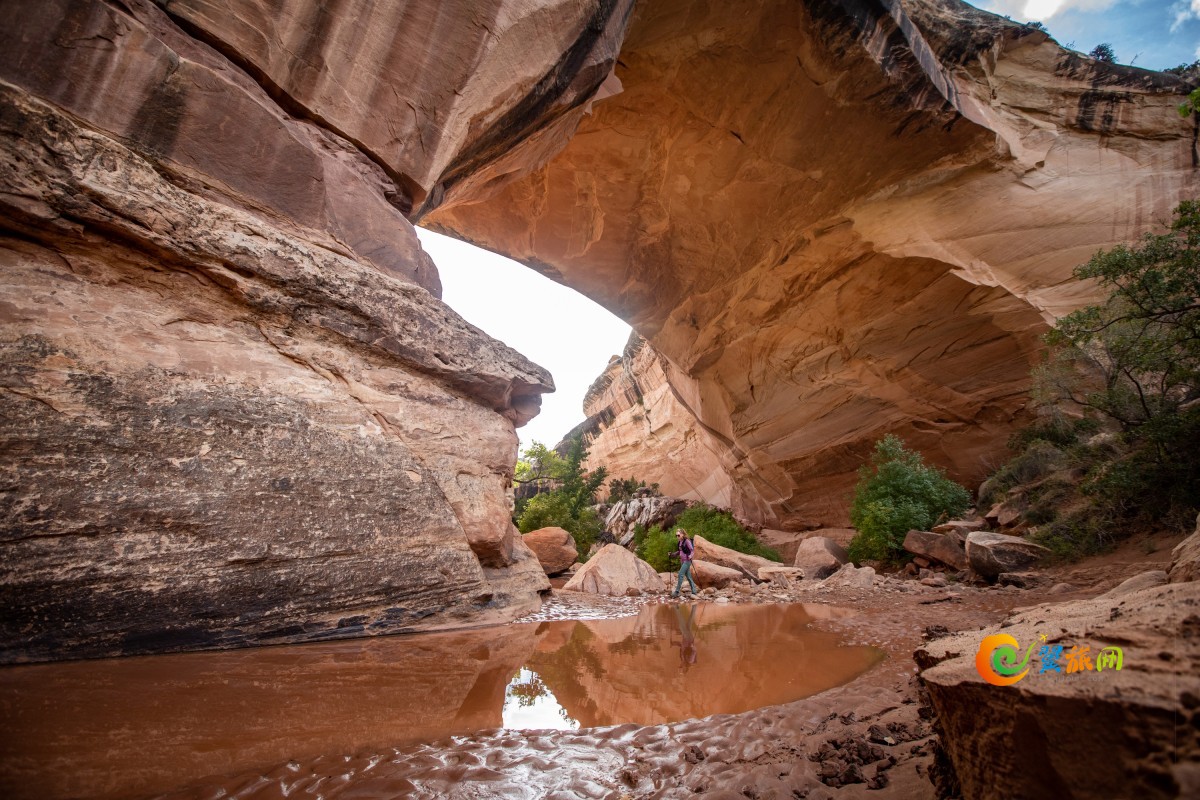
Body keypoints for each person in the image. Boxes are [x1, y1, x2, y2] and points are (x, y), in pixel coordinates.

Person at [671, 527, 697, 597]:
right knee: (688, 576)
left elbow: (692, 550)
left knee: (680, 574)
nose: (677, 537)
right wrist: (672, 554)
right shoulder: (680, 542)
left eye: (678, 535)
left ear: (682, 534)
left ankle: (676, 592)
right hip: (682, 561)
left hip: (687, 561)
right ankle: (694, 590)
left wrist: (691, 556)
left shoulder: (687, 541)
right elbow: (679, 551)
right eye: (676, 535)